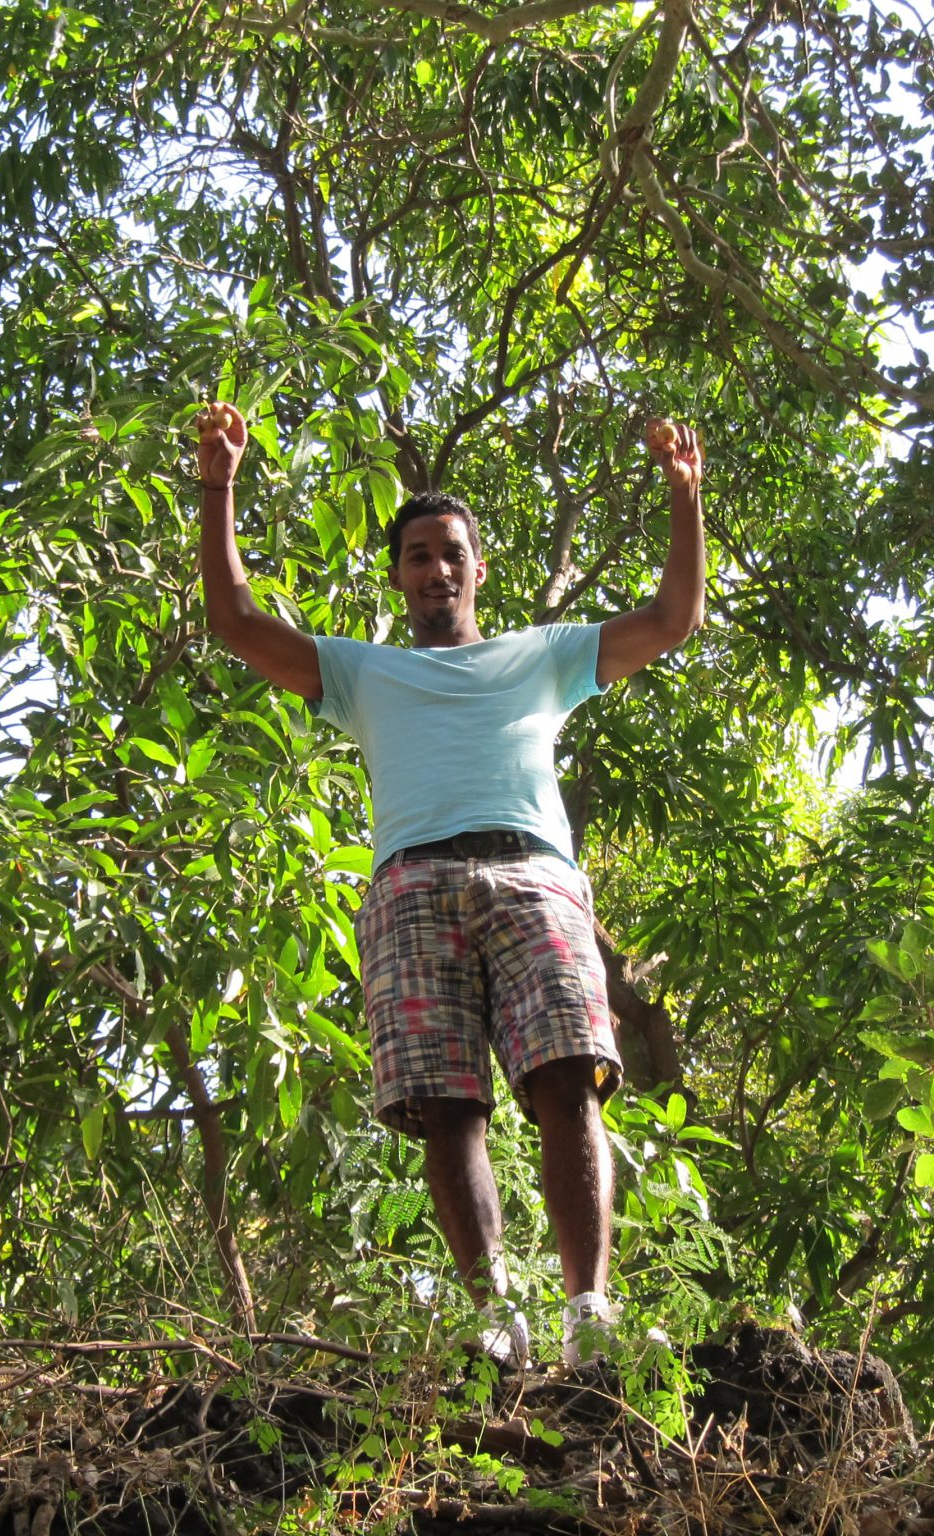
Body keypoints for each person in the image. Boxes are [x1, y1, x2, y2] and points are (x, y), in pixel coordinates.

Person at [195, 402, 705, 1369]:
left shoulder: (543, 655)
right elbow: (236, 622)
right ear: (398, 576)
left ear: (479, 569)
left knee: (568, 1078)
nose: (437, 569)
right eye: (418, 556)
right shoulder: (361, 672)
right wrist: (218, 486)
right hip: (412, 885)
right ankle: (494, 1318)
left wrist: (685, 497)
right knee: (446, 1103)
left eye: (452, 554)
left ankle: (589, 1314)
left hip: (535, 875)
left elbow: (672, 619)